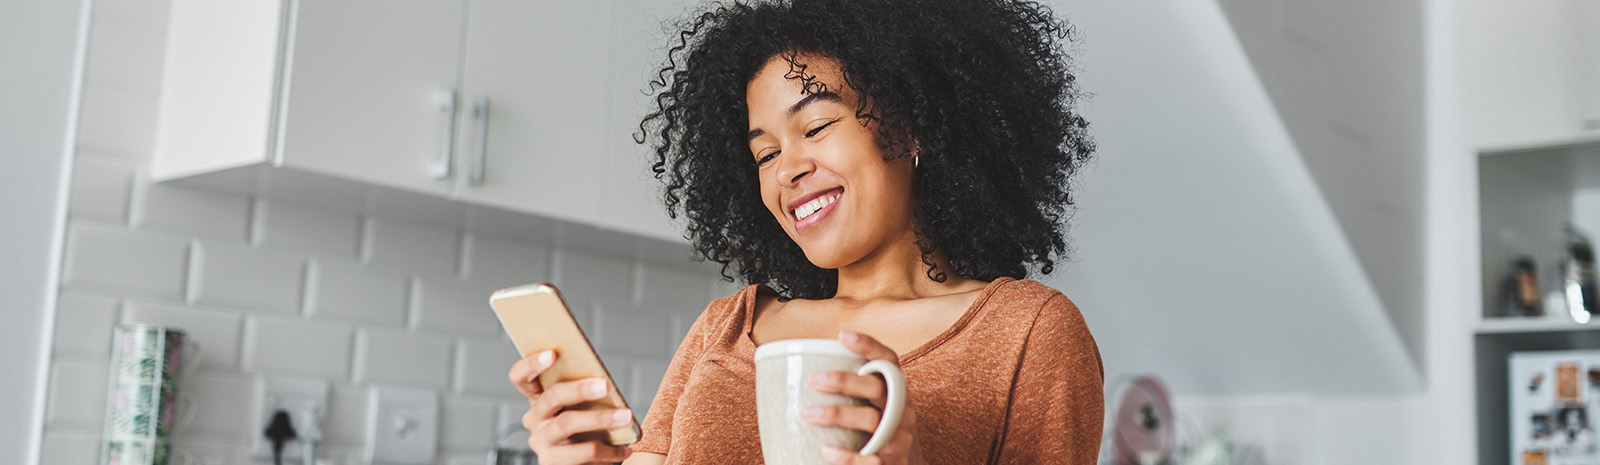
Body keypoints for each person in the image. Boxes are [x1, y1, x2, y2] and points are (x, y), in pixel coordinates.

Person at [507, 0, 1102, 463]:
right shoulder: (728, 326)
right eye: (764, 155)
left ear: (915, 126)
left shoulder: (1029, 331)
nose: (788, 170)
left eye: (816, 126)